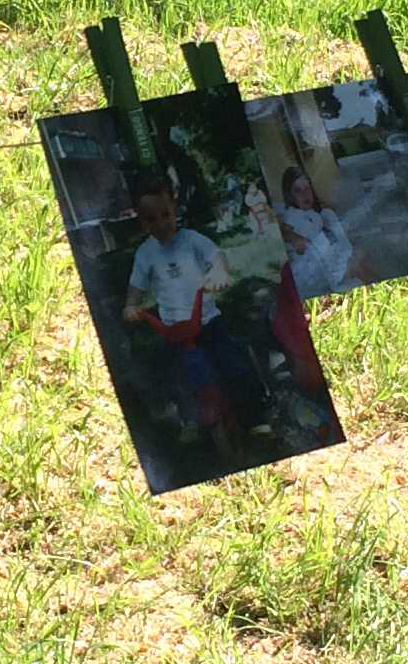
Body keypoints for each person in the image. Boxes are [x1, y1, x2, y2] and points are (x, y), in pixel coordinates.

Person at [119, 174, 271, 456]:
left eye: (166, 215)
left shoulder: (191, 240)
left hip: (208, 320)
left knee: (234, 364)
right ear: (142, 222)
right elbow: (136, 287)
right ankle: (191, 419)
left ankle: (256, 419)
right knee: (181, 376)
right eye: (151, 219)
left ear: (174, 210)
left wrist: (219, 271)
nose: (161, 224)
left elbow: (215, 256)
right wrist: (131, 305)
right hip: (175, 330)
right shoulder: (145, 254)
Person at [277, 166, 359, 299]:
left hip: (332, 260)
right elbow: (284, 231)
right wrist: (292, 236)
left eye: (307, 188)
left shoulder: (315, 214)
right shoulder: (293, 215)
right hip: (316, 270)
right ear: (290, 195)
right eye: (298, 190)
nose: (305, 194)